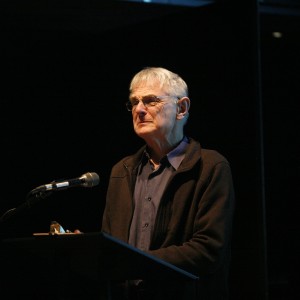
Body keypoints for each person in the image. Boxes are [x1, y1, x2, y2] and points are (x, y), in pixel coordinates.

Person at [101, 67, 235, 300]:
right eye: (134, 102)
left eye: (151, 101)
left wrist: (137, 263)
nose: (139, 109)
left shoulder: (211, 166)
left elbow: (209, 250)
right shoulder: (120, 172)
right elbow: (111, 247)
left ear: (181, 108)